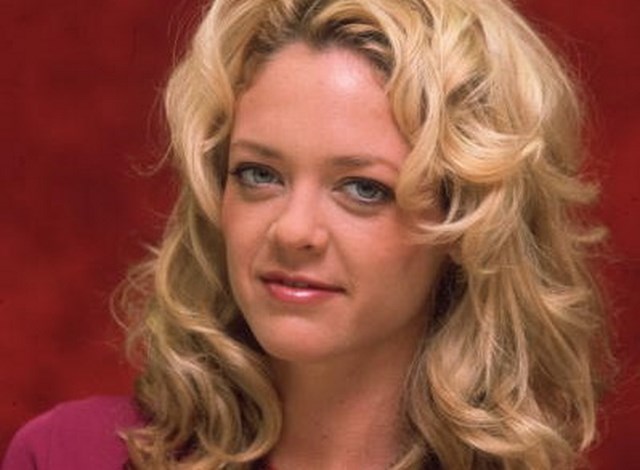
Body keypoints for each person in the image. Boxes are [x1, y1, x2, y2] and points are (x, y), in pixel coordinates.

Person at [2, 0, 613, 468]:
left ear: (468, 223)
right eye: (259, 174)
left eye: (363, 188)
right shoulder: (69, 456)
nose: (293, 230)